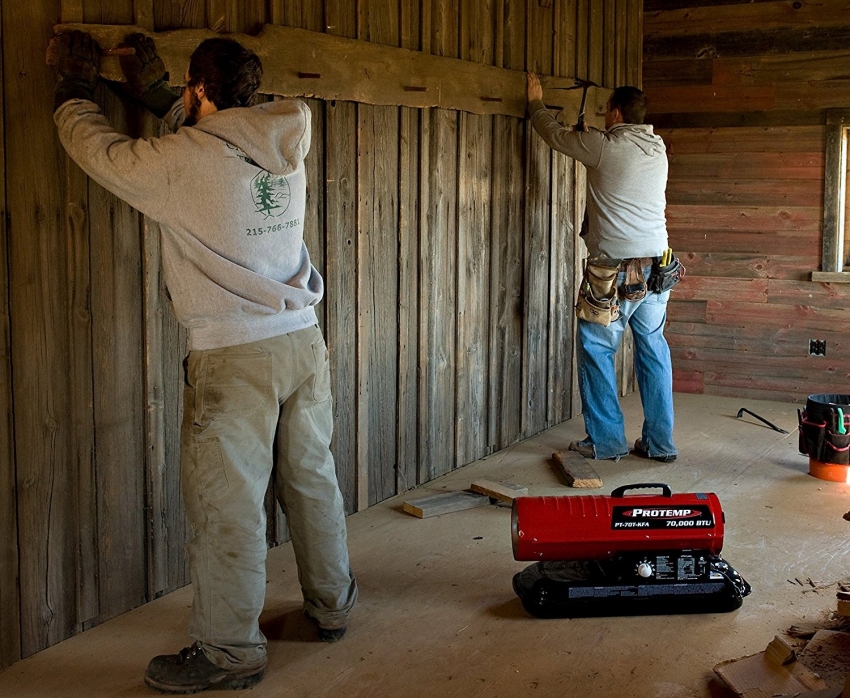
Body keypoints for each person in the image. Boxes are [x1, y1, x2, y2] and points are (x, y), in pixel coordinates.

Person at [51, 30, 358, 694]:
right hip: (302, 340)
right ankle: (332, 605)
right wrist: (159, 91)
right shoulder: (284, 137)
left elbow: (99, 150)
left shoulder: (178, 162)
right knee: (311, 480)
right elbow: (218, 135)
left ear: (197, 91)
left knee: (229, 507)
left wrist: (74, 88)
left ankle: (228, 652)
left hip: (233, 357)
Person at [526, 73, 677, 463]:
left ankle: (607, 442)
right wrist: (594, 137)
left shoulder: (601, 146)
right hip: (658, 268)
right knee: (653, 351)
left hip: (611, 271)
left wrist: (535, 103)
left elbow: (555, 135)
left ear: (613, 113)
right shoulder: (656, 147)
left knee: (596, 349)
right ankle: (660, 445)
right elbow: (613, 156)